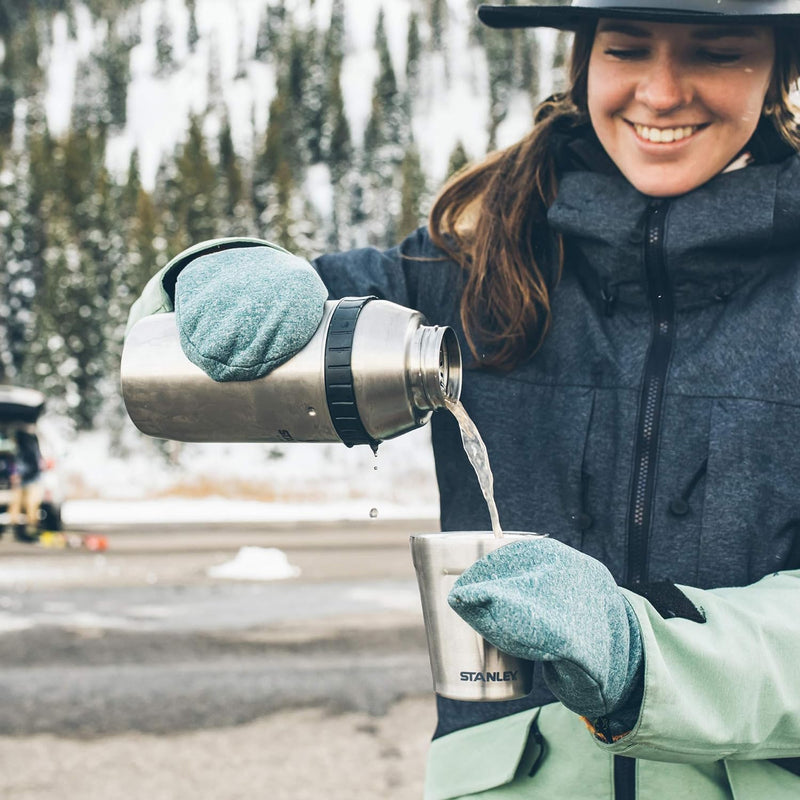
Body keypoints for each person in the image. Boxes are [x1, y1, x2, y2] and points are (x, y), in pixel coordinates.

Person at [126, 1, 800, 797]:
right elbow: (234, 329)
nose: (659, 91)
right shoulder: (472, 268)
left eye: (716, 53)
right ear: (582, 62)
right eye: (625, 50)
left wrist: (640, 654)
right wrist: (217, 273)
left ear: (779, 72)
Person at [7, 424, 43, 542]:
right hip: (25, 481)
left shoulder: (27, 448)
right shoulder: (22, 448)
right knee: (17, 507)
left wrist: (20, 476)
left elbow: (33, 466)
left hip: (30, 481)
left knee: (30, 507)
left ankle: (28, 531)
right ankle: (20, 531)